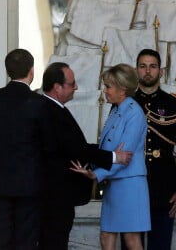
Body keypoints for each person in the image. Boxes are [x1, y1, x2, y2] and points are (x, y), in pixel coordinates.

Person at [39, 62, 133, 250]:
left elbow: (77, 147)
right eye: (72, 83)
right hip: (56, 196)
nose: (76, 87)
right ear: (57, 87)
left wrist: (106, 151)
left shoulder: (53, 109)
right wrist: (114, 156)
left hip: (56, 195)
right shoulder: (51, 111)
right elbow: (76, 149)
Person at [71, 63, 151, 250]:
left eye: (108, 87)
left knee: (131, 238)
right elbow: (110, 150)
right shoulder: (115, 110)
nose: (105, 91)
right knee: (106, 234)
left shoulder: (134, 113)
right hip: (113, 182)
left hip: (130, 184)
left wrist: (97, 175)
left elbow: (125, 155)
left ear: (122, 89)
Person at [121, 49, 176, 250]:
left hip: (164, 190)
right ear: (137, 70)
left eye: (152, 66)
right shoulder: (124, 103)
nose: (147, 71)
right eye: (143, 66)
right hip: (130, 188)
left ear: (160, 72)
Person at [0, 48, 43, 250]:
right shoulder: (38, 102)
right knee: (26, 238)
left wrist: (2, 158)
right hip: (30, 180)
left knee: (2, 235)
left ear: (8, 72)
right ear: (31, 71)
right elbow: (45, 143)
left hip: (1, 179)